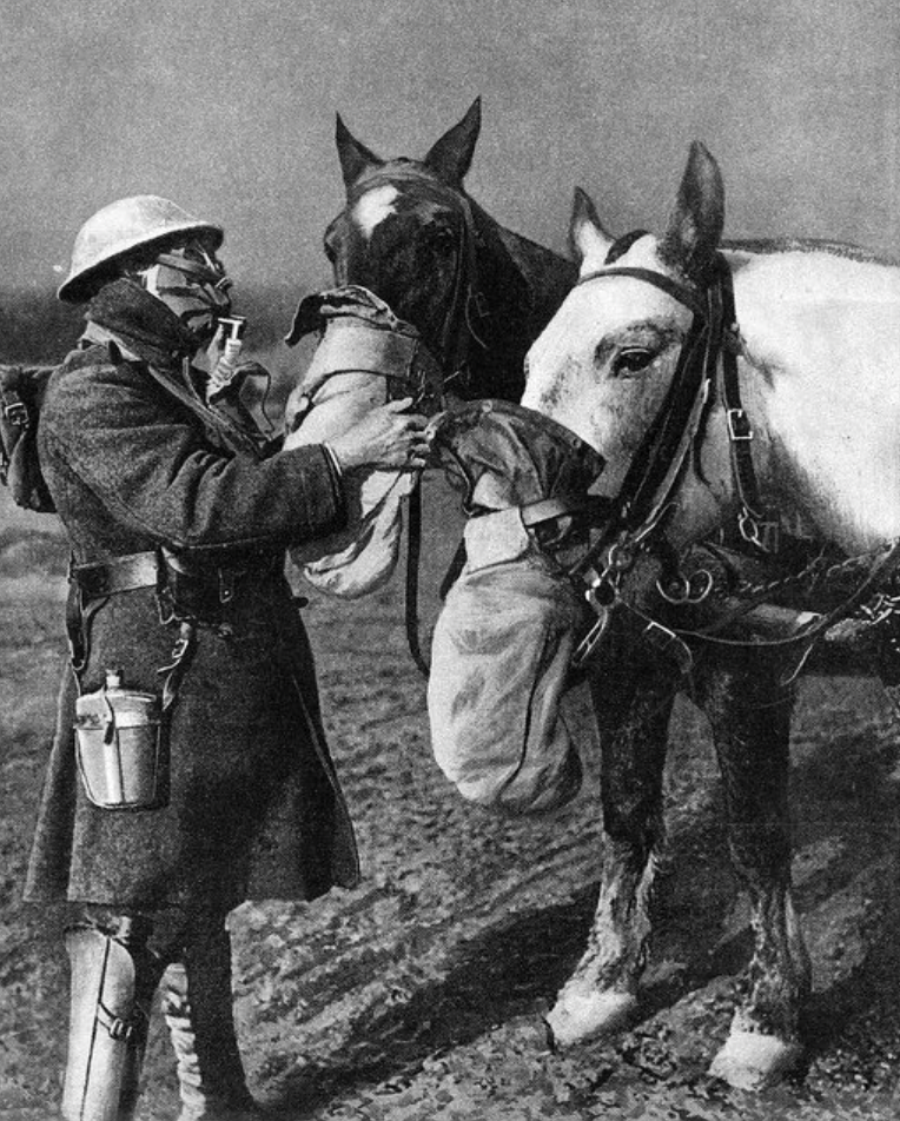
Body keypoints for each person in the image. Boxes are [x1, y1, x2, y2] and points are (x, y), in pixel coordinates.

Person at [22, 195, 430, 1121]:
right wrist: (343, 455)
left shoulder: (167, 381)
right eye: (192, 264)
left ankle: (222, 1103)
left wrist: (248, 409)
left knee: (192, 898)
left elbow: (255, 501)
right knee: (129, 924)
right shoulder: (94, 391)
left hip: (195, 676)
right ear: (131, 284)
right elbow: (201, 506)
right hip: (150, 683)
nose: (216, 277)